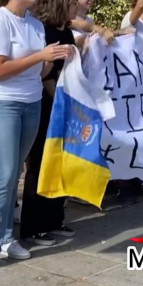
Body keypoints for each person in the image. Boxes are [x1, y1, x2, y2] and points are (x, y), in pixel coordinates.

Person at [0, 0, 70, 260]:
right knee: (6, 175)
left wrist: (54, 60)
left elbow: (39, 71)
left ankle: (6, 236)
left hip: (33, 102)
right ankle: (4, 237)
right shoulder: (2, 19)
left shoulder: (36, 24)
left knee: (15, 171)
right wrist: (40, 56)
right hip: (6, 103)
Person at [21, 0, 77, 247]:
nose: (77, 6)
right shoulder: (45, 30)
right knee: (40, 164)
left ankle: (55, 218)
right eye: (73, 2)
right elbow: (46, 74)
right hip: (47, 103)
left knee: (61, 162)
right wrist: (59, 101)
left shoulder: (66, 30)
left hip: (65, 102)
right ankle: (33, 227)